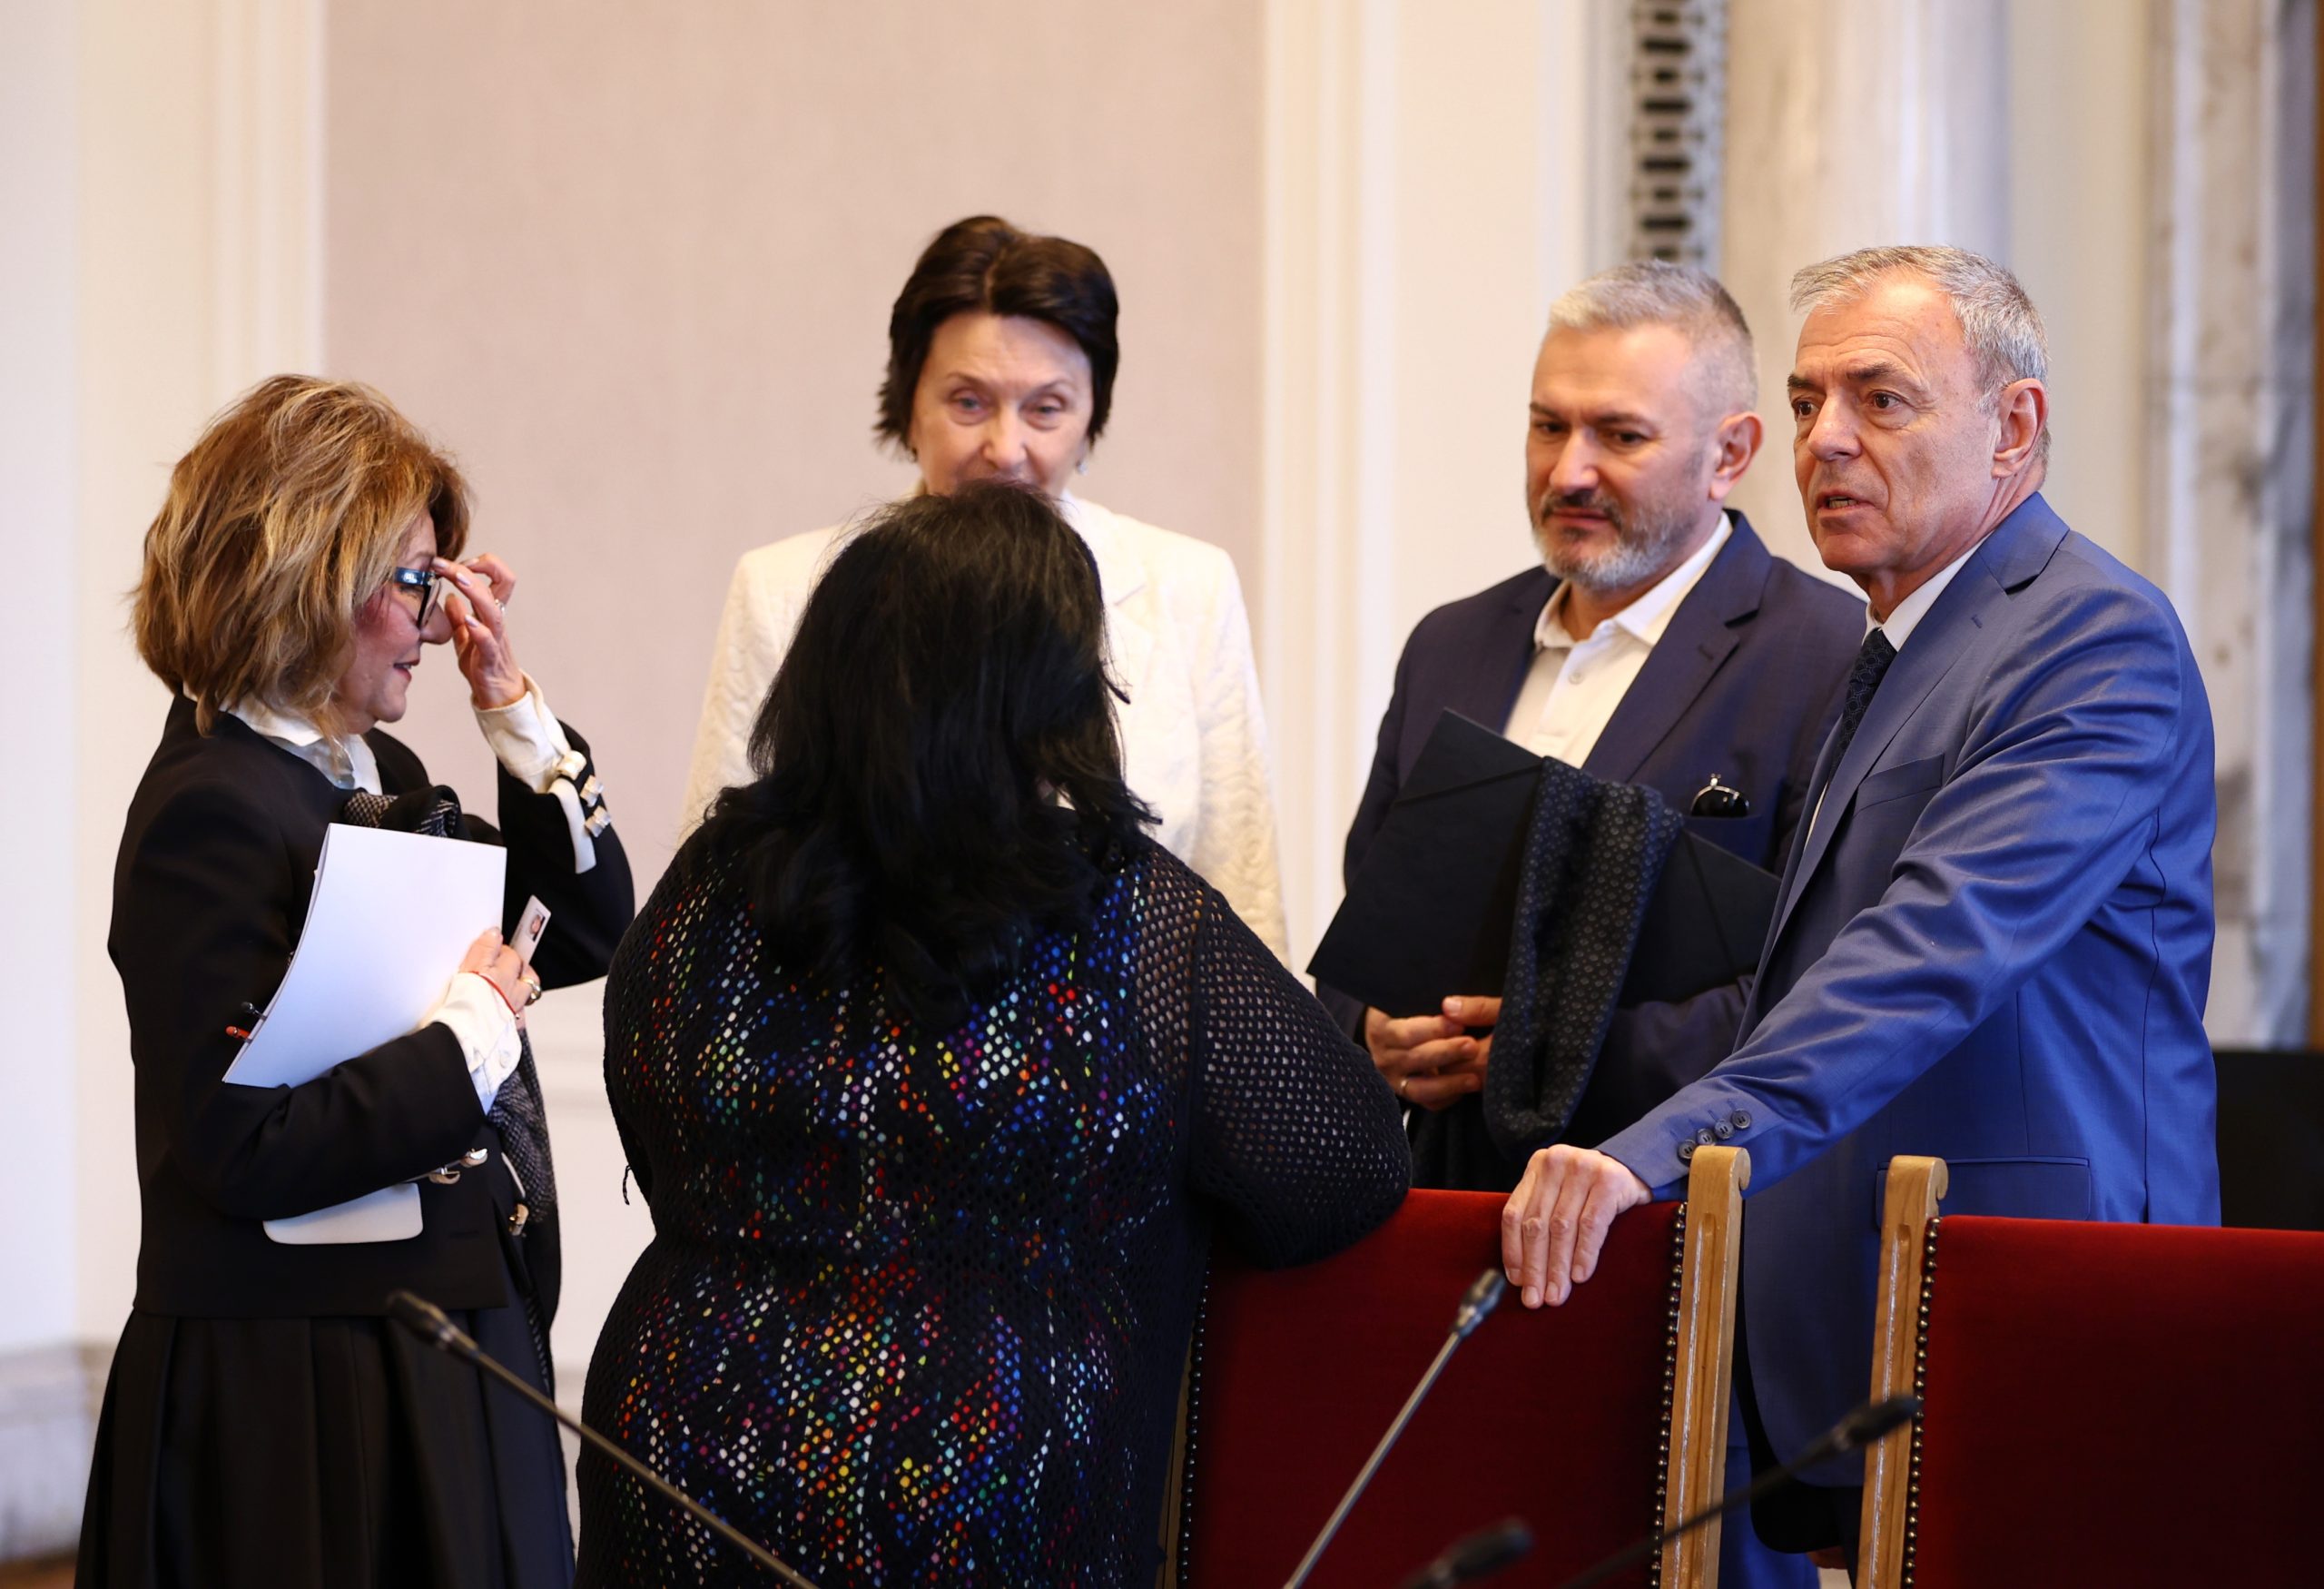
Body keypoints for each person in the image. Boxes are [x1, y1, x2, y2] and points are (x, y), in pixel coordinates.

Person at [1499, 246, 2219, 1568]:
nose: (1825, 440)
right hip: (1863, 1317)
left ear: (2013, 427)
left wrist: (1655, 1149)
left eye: (1880, 400)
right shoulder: (1894, 641)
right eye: (1807, 401)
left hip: (2048, 1313)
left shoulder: (2092, 636)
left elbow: (1926, 954)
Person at [579, 483, 1409, 1587]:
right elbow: (1345, 1168)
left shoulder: (712, 881)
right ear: (1046, 694)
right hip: (996, 1487)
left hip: (688, 1451)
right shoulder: (1122, 904)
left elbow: (649, 1114)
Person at [1327, 261, 1858, 1589]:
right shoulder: (1450, 645)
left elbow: (1818, 995)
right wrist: (1374, 1032)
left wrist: (1550, 1047)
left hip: (1673, 1258)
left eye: (1619, 435)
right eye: (1546, 424)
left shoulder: (1826, 656)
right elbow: (1361, 929)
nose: (1568, 470)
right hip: (1440, 1241)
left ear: (1732, 452)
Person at [78, 375, 635, 1589]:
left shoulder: (378, 766)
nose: (437, 623)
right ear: (304, 578)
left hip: (432, 1349)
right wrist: (469, 1040)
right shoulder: (207, 810)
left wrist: (512, 712)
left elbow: (587, 930)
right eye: (415, 581)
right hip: (295, 1392)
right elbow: (240, 1143)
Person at [683, 215, 1289, 958]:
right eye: (968, 402)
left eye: (1046, 408)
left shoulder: (1188, 588)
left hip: (1131, 1028)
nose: (1005, 450)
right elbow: (716, 893)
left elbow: (1242, 900)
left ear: (1090, 419)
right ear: (908, 406)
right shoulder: (783, 588)